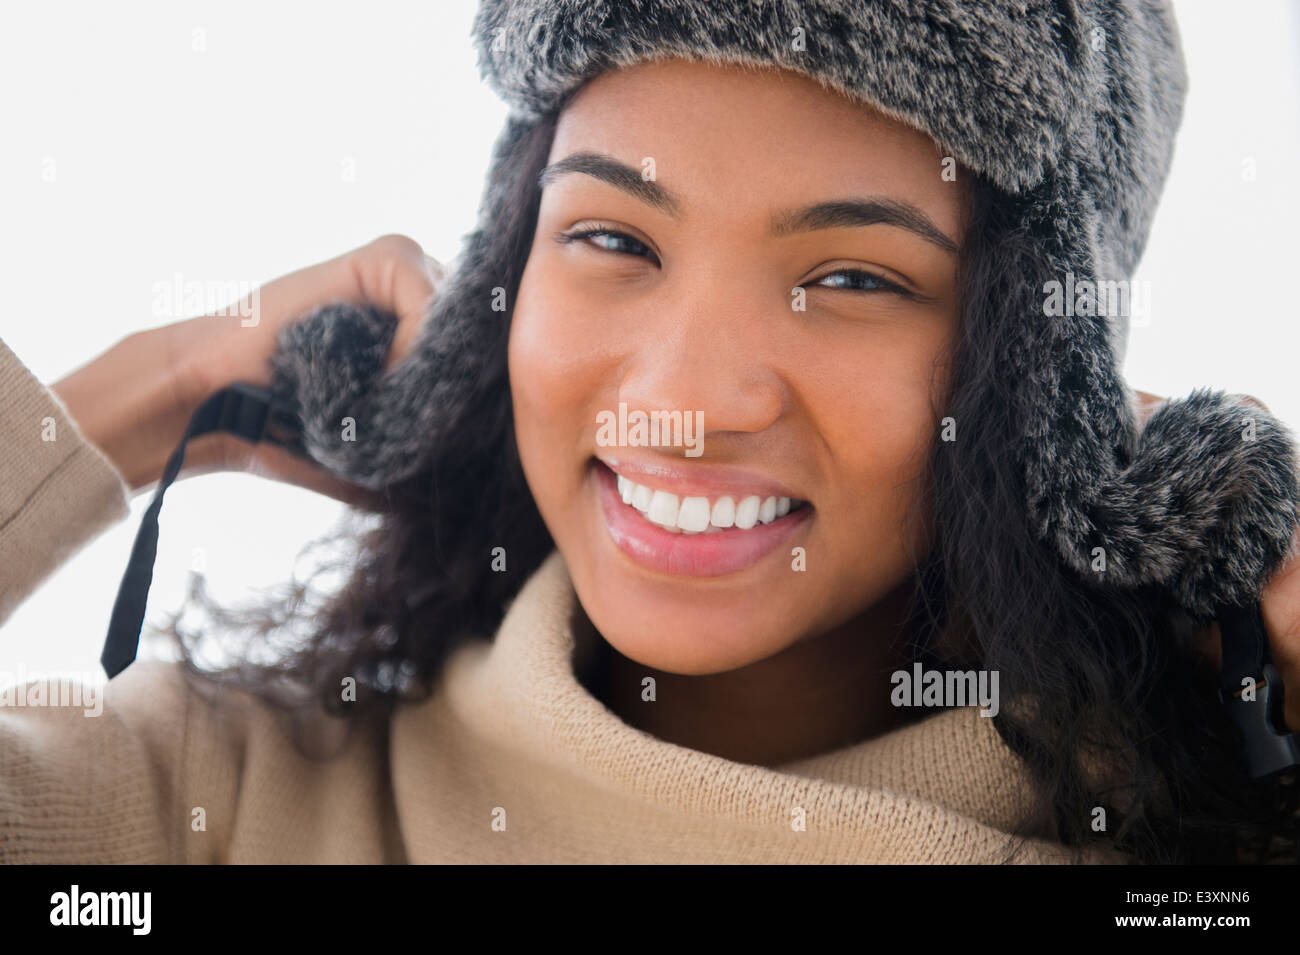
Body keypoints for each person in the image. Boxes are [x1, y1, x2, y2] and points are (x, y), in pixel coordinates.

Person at [2, 1, 1299, 865]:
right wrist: (154, 390)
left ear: (1037, 384)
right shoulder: (210, 800)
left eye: (852, 279)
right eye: (613, 240)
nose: (690, 395)